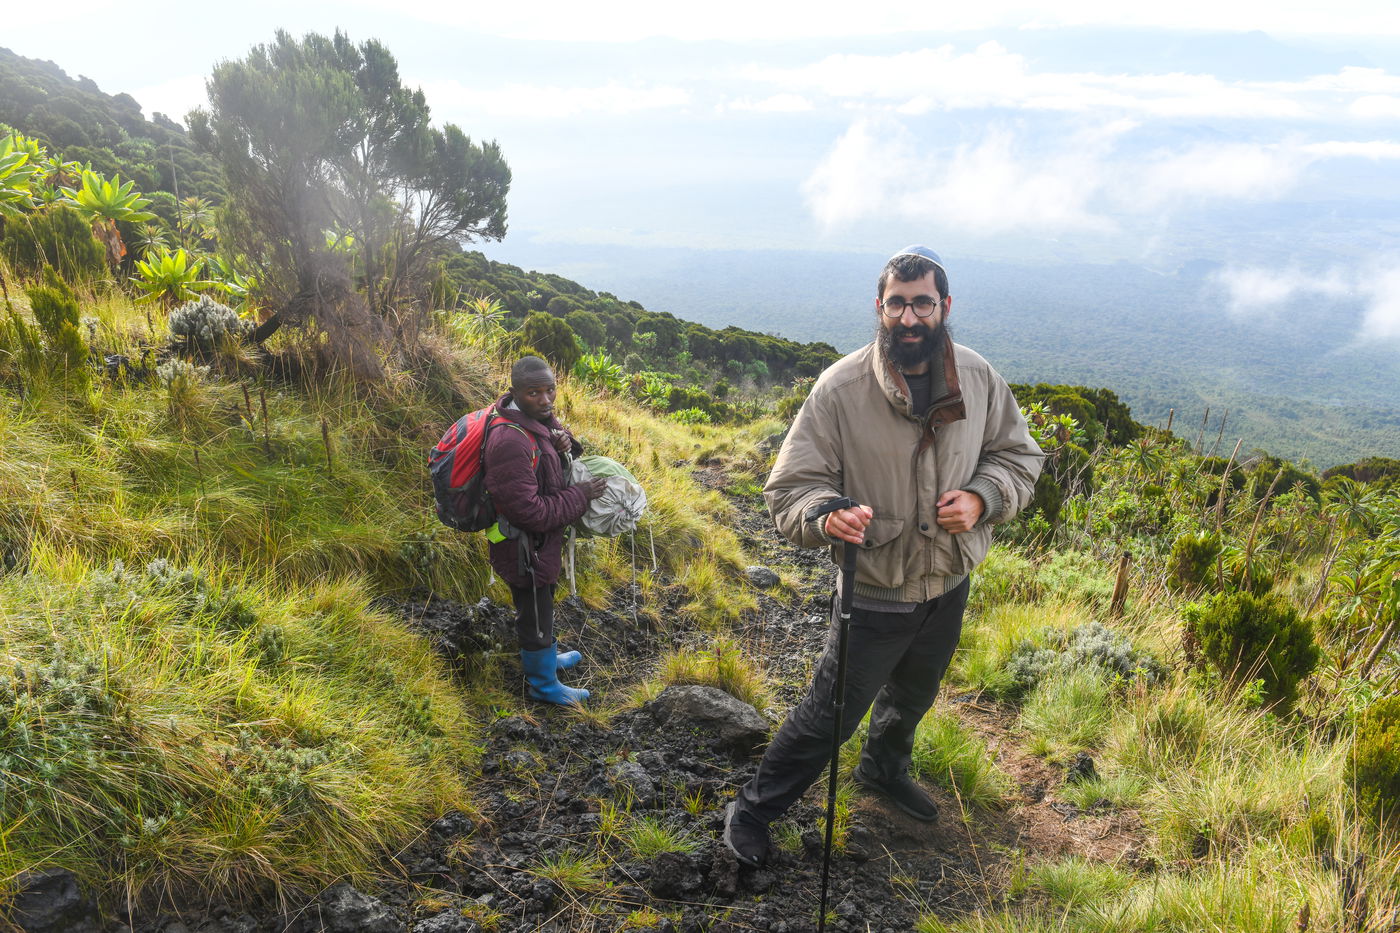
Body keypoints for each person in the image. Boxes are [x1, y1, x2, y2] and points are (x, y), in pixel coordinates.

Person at [724, 246, 1043, 867]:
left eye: (923, 302)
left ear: (944, 307)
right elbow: (791, 487)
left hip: (948, 580)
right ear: (880, 307)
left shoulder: (977, 378)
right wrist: (825, 515)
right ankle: (754, 808)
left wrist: (983, 497)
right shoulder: (841, 390)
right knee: (830, 714)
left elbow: (1019, 456)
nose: (910, 316)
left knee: (915, 694)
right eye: (897, 303)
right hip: (875, 589)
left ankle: (882, 770)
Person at [483, 356, 607, 705]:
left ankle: (546, 660)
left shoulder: (535, 419)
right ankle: (542, 684)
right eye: (534, 392)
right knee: (534, 611)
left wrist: (564, 441)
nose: (546, 399)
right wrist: (578, 496)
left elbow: (551, 450)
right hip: (523, 546)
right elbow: (530, 513)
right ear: (515, 393)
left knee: (543, 605)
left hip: (540, 544)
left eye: (550, 389)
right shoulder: (509, 441)